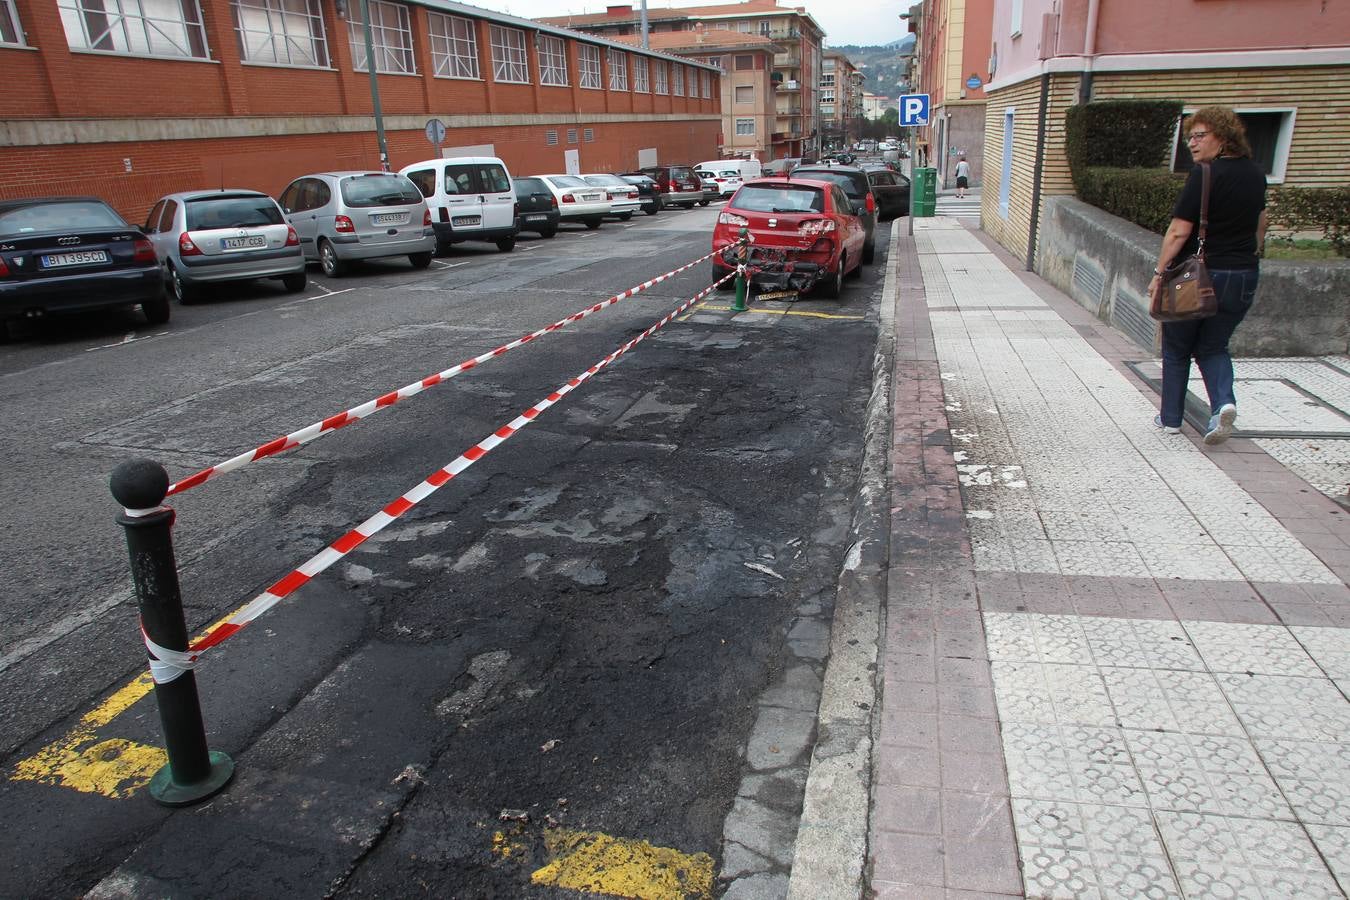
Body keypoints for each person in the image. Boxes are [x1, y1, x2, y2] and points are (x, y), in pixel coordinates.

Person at [1149, 106, 1268, 445]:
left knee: (1177, 346)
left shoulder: (1205, 174)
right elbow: (1261, 222)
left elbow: (1178, 231)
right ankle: (1223, 404)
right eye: (1189, 137)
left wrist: (1159, 273)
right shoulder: (1256, 174)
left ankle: (1170, 419)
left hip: (1199, 275)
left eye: (1200, 136)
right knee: (1214, 345)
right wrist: (1252, 251)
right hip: (1243, 274)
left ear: (1223, 136)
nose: (1192, 144)